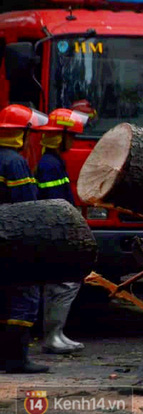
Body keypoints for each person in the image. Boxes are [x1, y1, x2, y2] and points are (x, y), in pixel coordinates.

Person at [0, 104, 50, 373]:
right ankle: (17, 359)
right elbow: (27, 206)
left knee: (3, 297)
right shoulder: (15, 162)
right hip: (15, 239)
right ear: (21, 133)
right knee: (25, 296)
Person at [34, 108, 88, 354]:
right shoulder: (49, 164)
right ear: (60, 136)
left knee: (63, 284)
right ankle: (52, 336)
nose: (74, 141)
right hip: (57, 232)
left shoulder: (52, 161)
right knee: (63, 284)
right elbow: (56, 202)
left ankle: (56, 334)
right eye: (72, 137)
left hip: (58, 230)